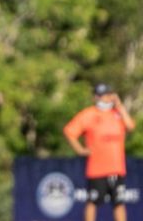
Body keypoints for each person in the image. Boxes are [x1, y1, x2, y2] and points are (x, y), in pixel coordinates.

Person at [64, 83, 136, 221]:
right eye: (102, 96)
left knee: (119, 203)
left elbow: (130, 126)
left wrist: (120, 106)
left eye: (108, 95)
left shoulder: (117, 114)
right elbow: (69, 131)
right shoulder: (88, 114)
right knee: (93, 202)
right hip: (97, 169)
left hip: (117, 168)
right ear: (96, 97)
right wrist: (80, 150)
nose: (105, 99)